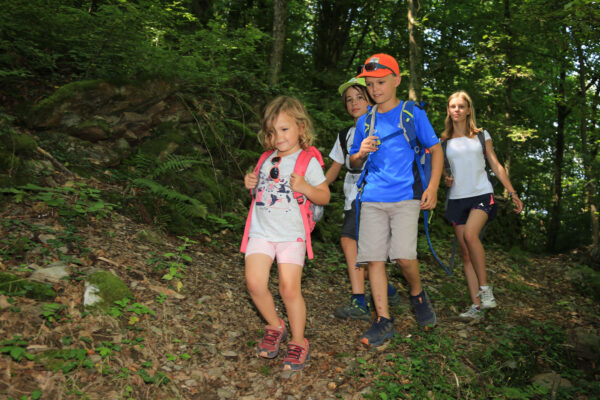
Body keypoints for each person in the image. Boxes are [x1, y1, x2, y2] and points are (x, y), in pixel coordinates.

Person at [349, 53, 443, 347]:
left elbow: (436, 150)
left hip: (406, 197)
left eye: (382, 82)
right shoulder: (365, 121)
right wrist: (360, 152)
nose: (375, 89)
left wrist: (434, 187)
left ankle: (416, 293)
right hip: (373, 197)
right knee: (373, 259)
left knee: (403, 257)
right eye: (370, 83)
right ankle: (383, 320)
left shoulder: (412, 113)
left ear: (396, 81)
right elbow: (353, 164)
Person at [242, 95, 330, 370]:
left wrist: (306, 187)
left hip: (292, 235)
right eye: (272, 131)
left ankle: (298, 340)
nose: (278, 137)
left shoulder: (308, 161)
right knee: (255, 283)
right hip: (261, 231)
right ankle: (274, 325)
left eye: (284, 129)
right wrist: (250, 184)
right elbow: (259, 192)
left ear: (301, 128)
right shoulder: (266, 159)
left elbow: (325, 197)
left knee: (289, 289)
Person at [442, 91, 523, 319]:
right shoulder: (444, 142)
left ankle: (486, 289)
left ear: (468, 110)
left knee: (470, 235)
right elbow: (442, 172)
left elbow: (495, 165)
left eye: (460, 106)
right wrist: (445, 180)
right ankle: (476, 306)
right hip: (457, 199)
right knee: (466, 254)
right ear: (448, 111)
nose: (456, 110)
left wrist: (512, 192)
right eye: (452, 106)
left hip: (482, 194)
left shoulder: (480, 135)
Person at [325, 77, 400, 321]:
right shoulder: (345, 134)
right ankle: (386, 291)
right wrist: (311, 191)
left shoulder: (382, 128)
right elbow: (334, 171)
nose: (354, 103)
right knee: (359, 254)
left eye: (359, 97)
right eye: (349, 99)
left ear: (370, 98)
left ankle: (360, 301)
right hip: (351, 199)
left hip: (373, 196)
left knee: (351, 244)